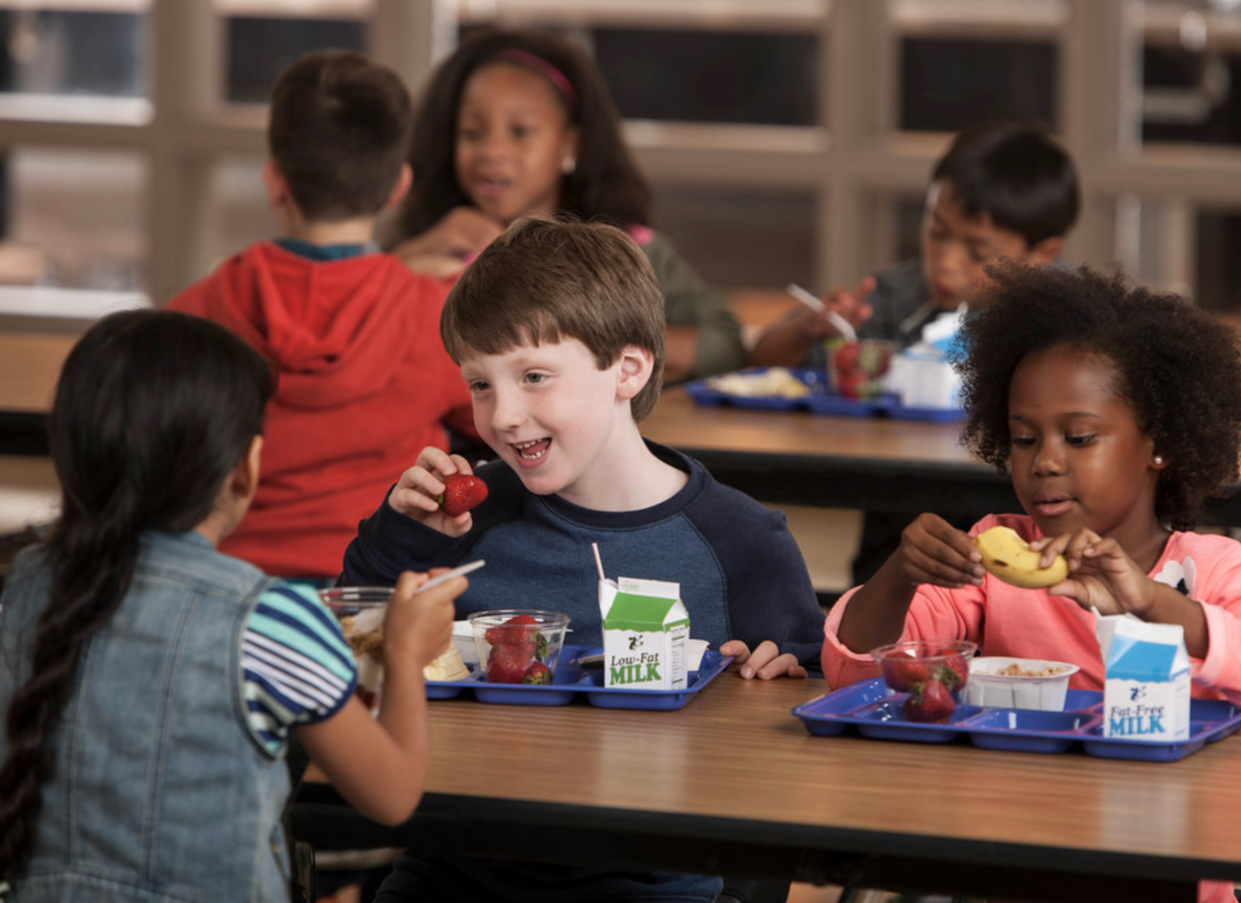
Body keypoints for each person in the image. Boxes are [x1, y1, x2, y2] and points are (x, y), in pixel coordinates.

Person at [343, 217, 826, 903]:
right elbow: (353, 657)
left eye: (534, 375)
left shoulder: (742, 541)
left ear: (627, 369)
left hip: (654, 886)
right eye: (480, 384)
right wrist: (404, 533)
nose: (504, 414)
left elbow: (806, 729)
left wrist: (786, 678)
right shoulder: (462, 520)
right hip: (455, 871)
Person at [821, 265, 1241, 903]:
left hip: (1161, 877)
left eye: (1080, 437)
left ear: (1160, 445)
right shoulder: (996, 558)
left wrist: (1152, 603)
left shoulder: (1212, 569)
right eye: (1024, 439)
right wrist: (900, 573)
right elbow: (857, 673)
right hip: (1010, 868)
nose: (1046, 461)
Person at [0, 310, 466, 902]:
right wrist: (403, 650)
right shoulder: (271, 618)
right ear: (245, 468)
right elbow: (392, 796)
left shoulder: (22, 589)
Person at [167, 48, 479, 582]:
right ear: (398, 187)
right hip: (379, 598)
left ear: (274, 181)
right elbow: (503, 418)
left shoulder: (191, 317)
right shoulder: (438, 316)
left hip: (228, 597)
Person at [751, 119, 1081, 586]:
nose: (946, 261)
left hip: (1031, 538)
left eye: (977, 251)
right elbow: (763, 365)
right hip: (900, 540)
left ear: (1041, 254)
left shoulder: (1075, 318)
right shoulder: (895, 298)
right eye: (937, 232)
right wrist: (808, 331)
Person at [384, 27, 746, 383]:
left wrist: (581, 334)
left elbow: (723, 344)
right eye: (473, 133)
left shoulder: (633, 251)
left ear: (572, 144)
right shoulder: (429, 249)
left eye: (521, 130)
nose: (492, 151)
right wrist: (401, 265)